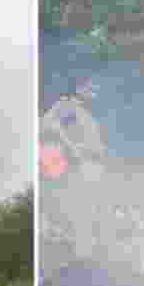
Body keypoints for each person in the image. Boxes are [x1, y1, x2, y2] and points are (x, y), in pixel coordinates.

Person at [41, 78, 108, 261]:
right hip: (80, 164)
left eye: (96, 88)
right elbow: (47, 124)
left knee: (92, 213)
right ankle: (80, 258)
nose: (94, 91)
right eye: (89, 86)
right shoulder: (68, 105)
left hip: (95, 166)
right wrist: (70, 147)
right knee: (80, 212)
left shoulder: (90, 116)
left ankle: (87, 257)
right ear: (79, 88)